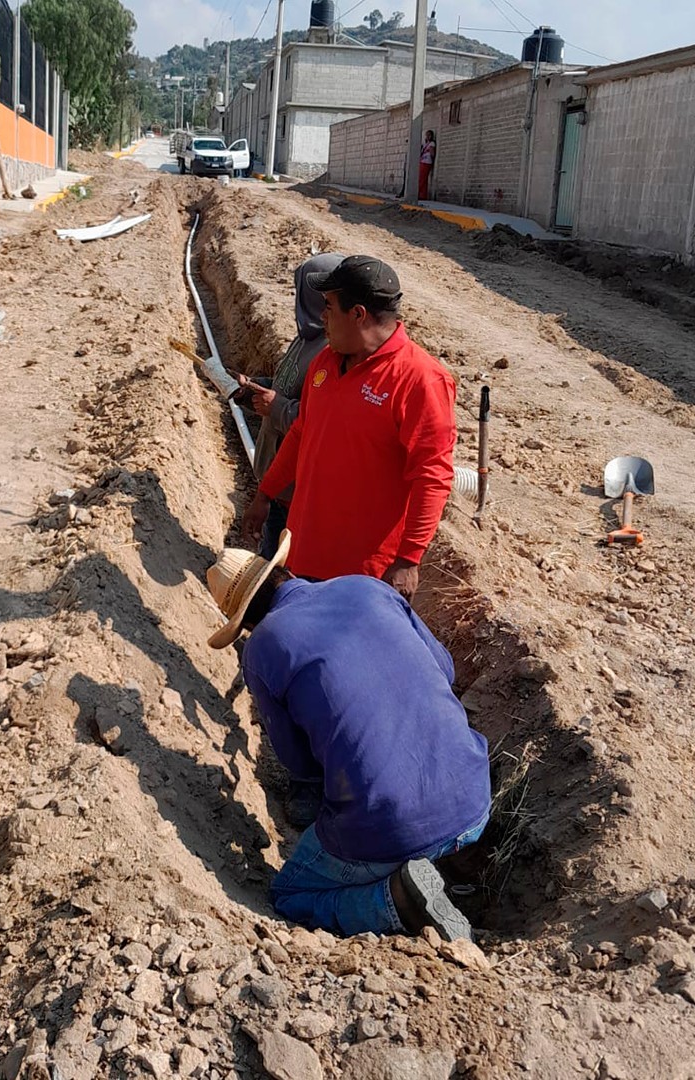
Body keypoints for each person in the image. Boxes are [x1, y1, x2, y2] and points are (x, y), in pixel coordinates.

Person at [205, 530, 490, 941]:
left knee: (290, 893)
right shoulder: (367, 587)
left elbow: (298, 763)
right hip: (474, 797)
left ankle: (396, 901)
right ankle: (442, 864)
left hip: (389, 823)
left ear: (244, 622)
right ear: (283, 570)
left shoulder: (264, 646)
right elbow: (444, 669)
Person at [240, 255, 456, 602]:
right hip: (301, 550)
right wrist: (265, 494)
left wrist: (408, 559)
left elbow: (431, 476)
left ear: (357, 314)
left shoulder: (420, 380)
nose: (322, 316)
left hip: (363, 577)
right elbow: (301, 434)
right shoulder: (325, 363)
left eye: (329, 306)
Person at [234, 252, 343, 559]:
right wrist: (253, 388)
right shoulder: (305, 339)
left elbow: (320, 420)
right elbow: (288, 387)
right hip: (275, 478)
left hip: (294, 489)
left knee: (280, 560)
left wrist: (278, 407)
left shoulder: (332, 352)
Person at [419, 130, 437, 200]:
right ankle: (423, 195)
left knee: (422, 179)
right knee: (424, 179)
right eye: (426, 135)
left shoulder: (432, 143)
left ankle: (419, 193)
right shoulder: (425, 144)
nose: (427, 136)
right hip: (423, 161)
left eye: (429, 135)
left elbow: (432, 154)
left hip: (426, 162)